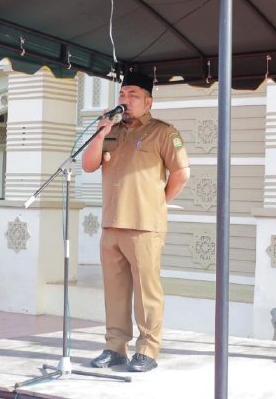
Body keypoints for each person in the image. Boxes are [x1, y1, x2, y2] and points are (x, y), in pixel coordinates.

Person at [81, 72, 190, 373]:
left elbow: (181, 174)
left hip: (144, 225)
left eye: (132, 95)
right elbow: (88, 164)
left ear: (148, 101)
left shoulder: (164, 132)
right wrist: (102, 132)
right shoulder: (111, 130)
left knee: (146, 291)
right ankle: (115, 348)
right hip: (112, 225)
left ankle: (147, 350)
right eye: (122, 95)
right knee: (114, 290)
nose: (125, 101)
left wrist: (158, 202)